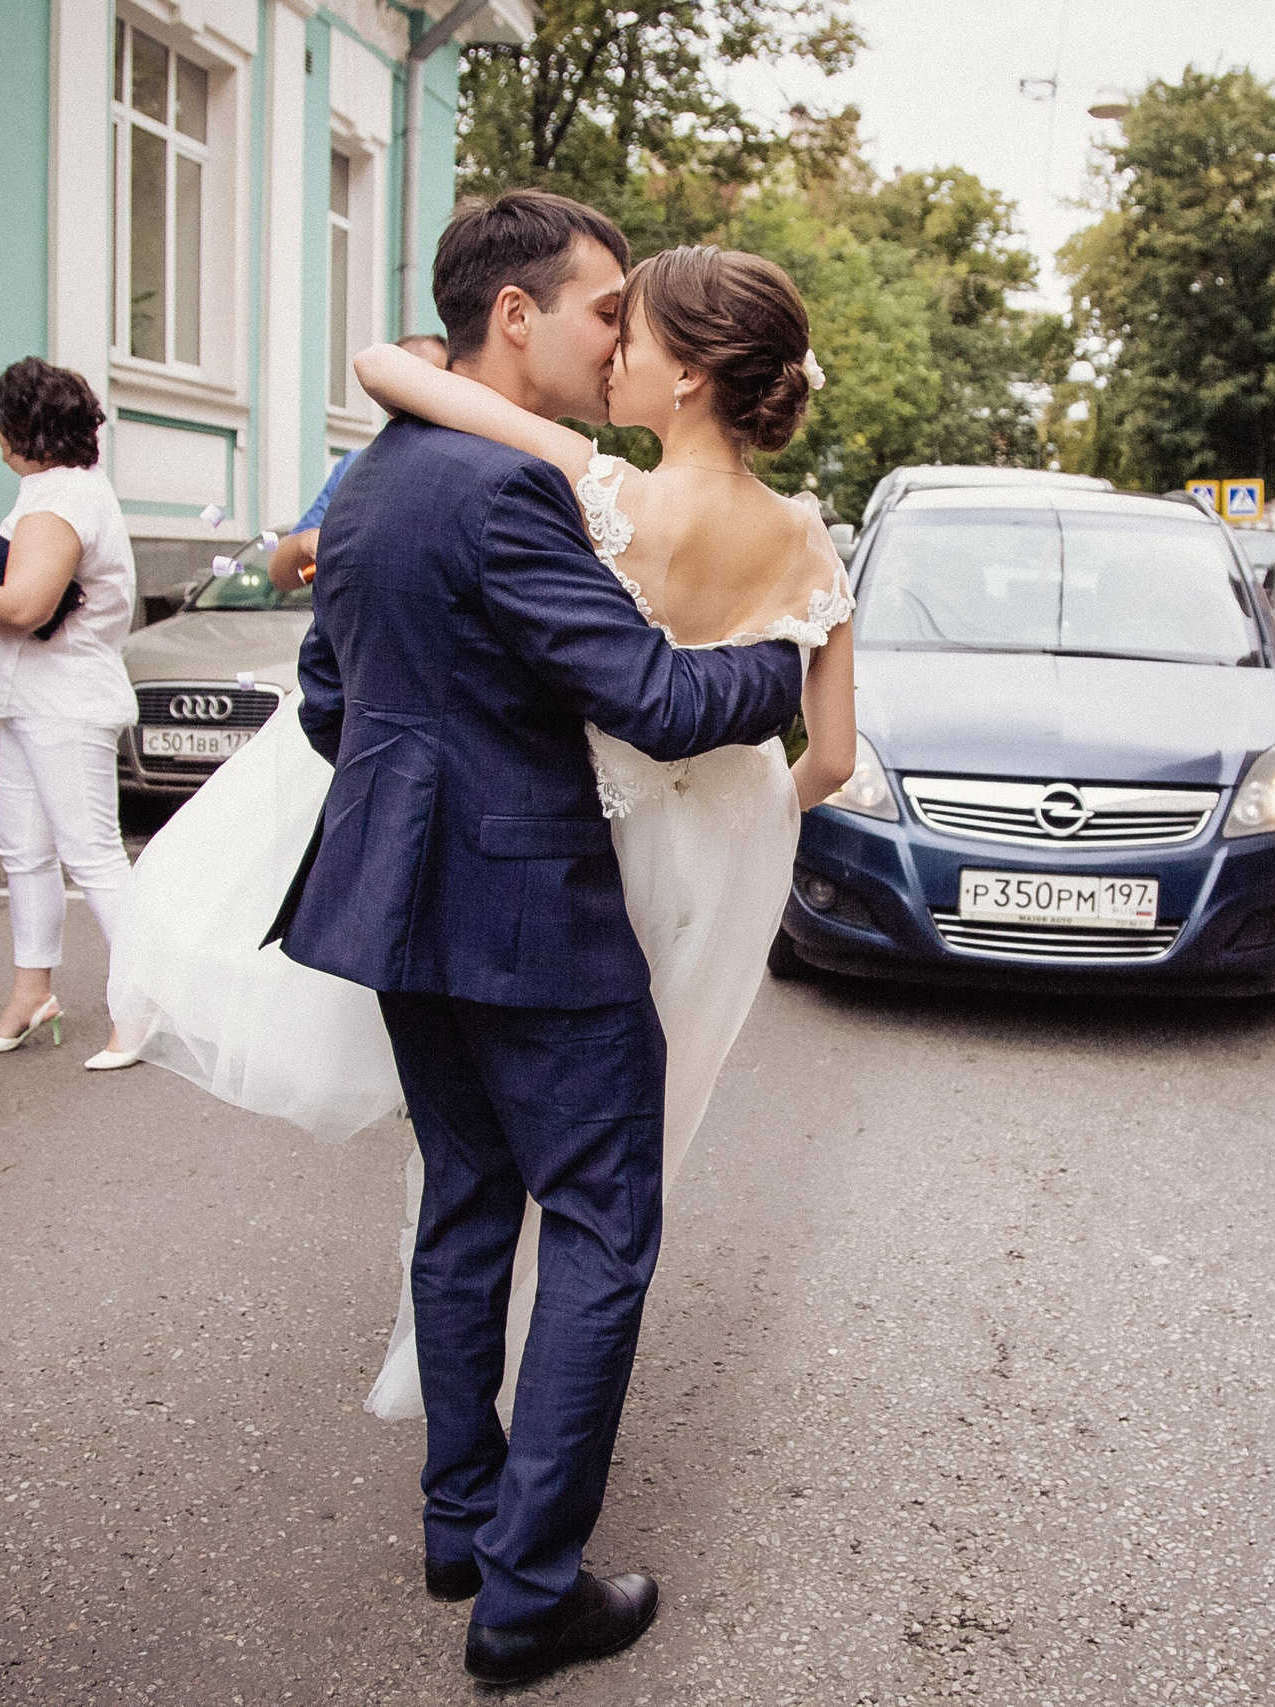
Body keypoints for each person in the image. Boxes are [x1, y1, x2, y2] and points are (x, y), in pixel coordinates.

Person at [109, 189, 844, 1686]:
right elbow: (648, 696)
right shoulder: (517, 495)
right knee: (599, 1224)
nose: (613, 332)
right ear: (515, 316)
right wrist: (778, 664)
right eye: (597, 308)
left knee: (461, 1200)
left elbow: (329, 694)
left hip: (398, 900)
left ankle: (461, 1516)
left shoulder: (379, 482)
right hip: (531, 908)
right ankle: (528, 1594)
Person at [0, 359, 140, 1068]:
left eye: (2, 417)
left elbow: (28, 604)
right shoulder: (56, 490)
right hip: (34, 704)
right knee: (24, 851)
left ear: (22, 428)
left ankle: (141, 1002)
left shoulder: (61, 496)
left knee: (92, 856)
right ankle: (32, 993)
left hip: (64, 703)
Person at [266, 331, 451, 592]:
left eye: (429, 378)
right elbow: (281, 577)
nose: (414, 392)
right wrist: (307, 543)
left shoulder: (464, 469)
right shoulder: (355, 466)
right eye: (404, 379)